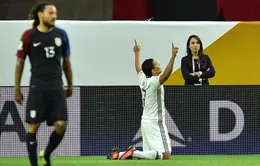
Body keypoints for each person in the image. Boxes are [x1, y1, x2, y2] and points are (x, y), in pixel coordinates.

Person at [14, 1, 73, 166]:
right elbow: (20, 63)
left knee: (61, 125)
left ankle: (46, 154)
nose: (54, 16)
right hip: (37, 87)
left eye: (55, 13)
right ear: (40, 15)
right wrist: (17, 89)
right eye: (50, 13)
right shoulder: (29, 35)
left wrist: (70, 85)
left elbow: (66, 63)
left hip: (56, 87)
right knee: (33, 127)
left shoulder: (61, 35)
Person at [107, 40, 178, 160]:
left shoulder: (143, 79)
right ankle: (134, 153)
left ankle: (118, 154)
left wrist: (137, 52)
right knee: (165, 155)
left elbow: (138, 69)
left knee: (150, 155)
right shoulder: (154, 81)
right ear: (153, 71)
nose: (159, 64)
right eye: (157, 64)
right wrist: (173, 57)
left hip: (145, 121)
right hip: (155, 122)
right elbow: (166, 74)